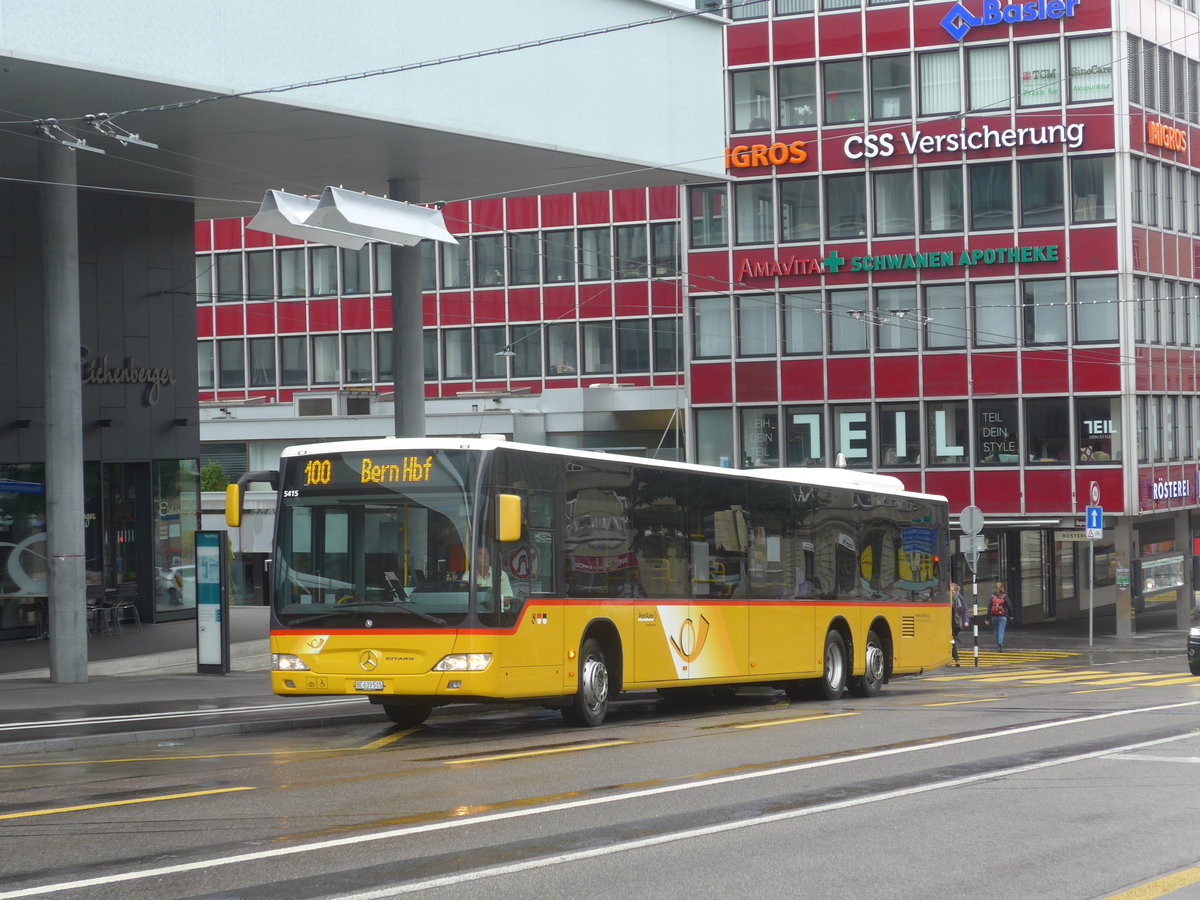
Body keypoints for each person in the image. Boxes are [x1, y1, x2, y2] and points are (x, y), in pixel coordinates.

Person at [471, 545, 514, 611]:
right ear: (475, 558)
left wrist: (491, 601)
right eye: (480, 554)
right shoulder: (468, 575)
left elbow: (508, 599)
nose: (484, 557)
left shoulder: (501, 574)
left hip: (494, 616)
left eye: (486, 554)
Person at [989, 581, 1013, 651]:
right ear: (1002, 587)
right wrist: (1011, 615)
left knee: (996, 630)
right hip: (1003, 616)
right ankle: (1000, 644)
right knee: (1001, 631)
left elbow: (989, 607)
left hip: (994, 616)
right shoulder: (1004, 596)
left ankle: (998, 644)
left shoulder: (993, 596)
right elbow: (1010, 606)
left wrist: (987, 618)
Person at [950, 581, 969, 666]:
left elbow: (965, 609)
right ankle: (953, 659)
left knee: (951, 640)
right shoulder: (948, 598)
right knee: (950, 640)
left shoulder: (959, 598)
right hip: (949, 623)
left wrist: (966, 621)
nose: (951, 592)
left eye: (952, 590)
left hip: (957, 623)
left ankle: (956, 659)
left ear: (956, 590)